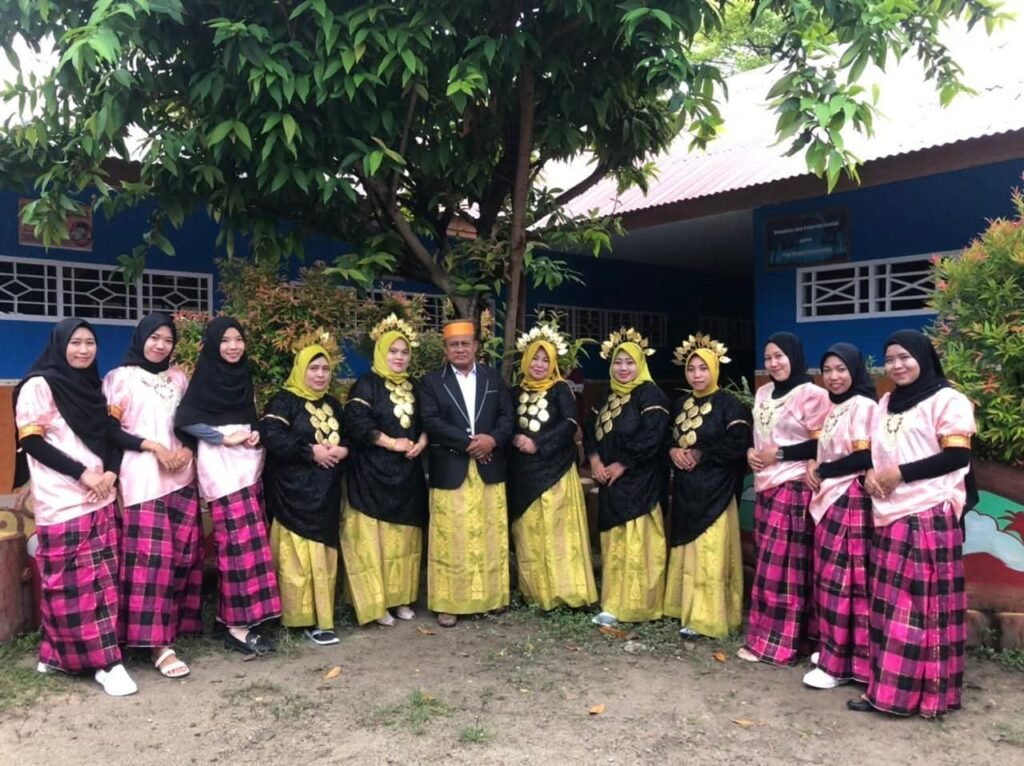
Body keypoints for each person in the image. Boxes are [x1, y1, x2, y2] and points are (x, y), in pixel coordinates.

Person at [14, 319, 166, 696]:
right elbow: (32, 442)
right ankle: (97, 662)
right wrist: (83, 475)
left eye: (90, 343)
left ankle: (85, 657)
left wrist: (110, 474)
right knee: (66, 583)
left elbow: (108, 435)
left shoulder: (92, 388)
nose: (83, 350)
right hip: (63, 499)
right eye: (76, 343)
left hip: (101, 494)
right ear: (60, 345)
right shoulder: (40, 385)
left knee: (100, 583)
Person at [848, 330, 975, 718]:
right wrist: (871, 474)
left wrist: (899, 474)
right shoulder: (887, 402)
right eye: (890, 360)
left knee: (922, 608)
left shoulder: (947, 400)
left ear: (923, 356)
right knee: (889, 606)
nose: (897, 365)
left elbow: (956, 457)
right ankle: (887, 691)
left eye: (905, 357)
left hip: (927, 512)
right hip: (889, 512)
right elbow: (877, 451)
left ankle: (928, 696)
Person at [103, 312, 203, 679]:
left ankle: (173, 626)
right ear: (141, 338)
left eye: (168, 340)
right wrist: (155, 447)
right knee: (151, 560)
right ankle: (157, 644)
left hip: (181, 475)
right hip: (143, 477)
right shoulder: (120, 378)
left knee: (184, 554)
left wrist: (187, 449)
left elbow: (191, 424)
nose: (161, 345)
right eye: (154, 337)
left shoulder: (179, 378)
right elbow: (109, 430)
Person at [175, 317, 280, 656]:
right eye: (225, 340)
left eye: (238, 339)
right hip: (221, 471)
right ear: (212, 345)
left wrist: (253, 433)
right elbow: (185, 420)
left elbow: (247, 417)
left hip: (247, 467)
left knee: (252, 544)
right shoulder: (206, 376)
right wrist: (222, 438)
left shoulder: (241, 375)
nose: (233, 346)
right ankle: (237, 628)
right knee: (235, 546)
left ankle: (237, 618)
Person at [739, 332, 830, 664]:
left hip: (793, 485)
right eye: (768, 358)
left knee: (786, 568)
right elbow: (759, 436)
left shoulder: (813, 395)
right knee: (769, 562)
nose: (774, 363)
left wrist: (780, 454)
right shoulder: (763, 392)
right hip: (766, 485)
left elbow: (822, 443)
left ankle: (781, 644)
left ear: (794, 355)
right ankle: (773, 636)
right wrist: (751, 451)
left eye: (780, 356)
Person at [418, 319, 514, 627]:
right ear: (445, 350)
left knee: (490, 535)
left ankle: (493, 597)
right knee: (451, 538)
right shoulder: (432, 382)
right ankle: (449, 603)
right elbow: (431, 421)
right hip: (451, 468)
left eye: (465, 343)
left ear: (475, 346)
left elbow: (507, 416)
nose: (460, 349)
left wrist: (492, 440)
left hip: (489, 467)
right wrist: (470, 443)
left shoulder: (492, 378)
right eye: (453, 345)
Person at [341, 315, 428, 627]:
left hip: (406, 476)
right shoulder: (367, 384)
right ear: (380, 352)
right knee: (372, 544)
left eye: (404, 352)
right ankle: (376, 604)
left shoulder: (416, 386)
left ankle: (401, 598)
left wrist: (422, 441)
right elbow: (356, 422)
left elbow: (430, 419)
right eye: (393, 351)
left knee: (403, 543)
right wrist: (392, 443)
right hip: (371, 476)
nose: (399, 357)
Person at [260, 343, 348, 645]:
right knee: (295, 560)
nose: (320, 375)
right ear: (300, 370)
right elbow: (272, 436)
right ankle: (297, 617)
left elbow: (350, 436)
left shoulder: (333, 404)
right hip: (292, 495)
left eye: (325, 369)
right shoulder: (284, 401)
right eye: (313, 368)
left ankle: (322, 618)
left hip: (326, 494)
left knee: (322, 558)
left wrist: (343, 450)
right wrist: (310, 451)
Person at [664, 334, 751, 638]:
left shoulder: (729, 404)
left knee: (710, 552)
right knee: (688, 549)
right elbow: (667, 438)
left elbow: (739, 442)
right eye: (691, 369)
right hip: (686, 489)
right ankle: (684, 609)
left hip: (716, 491)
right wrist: (673, 451)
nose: (697, 375)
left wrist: (702, 454)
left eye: (703, 368)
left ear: (715, 368)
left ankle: (708, 618)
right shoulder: (680, 403)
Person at [802, 343, 877, 690]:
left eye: (841, 369)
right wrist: (815, 464)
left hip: (850, 500)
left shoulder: (863, 405)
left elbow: (865, 457)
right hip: (831, 498)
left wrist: (825, 470)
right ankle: (837, 650)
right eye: (827, 370)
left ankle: (846, 663)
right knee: (831, 580)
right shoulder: (836, 406)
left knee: (846, 581)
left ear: (855, 370)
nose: (833, 377)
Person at [507, 325, 597, 610]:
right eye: (534, 358)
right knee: (530, 532)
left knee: (559, 533)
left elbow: (570, 423)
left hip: (557, 470)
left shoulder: (561, 389)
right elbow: (505, 422)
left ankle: (567, 594)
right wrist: (515, 437)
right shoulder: (514, 392)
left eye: (545, 360)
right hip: (524, 473)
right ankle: (535, 594)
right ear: (525, 359)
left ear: (554, 363)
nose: (539, 364)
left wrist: (538, 443)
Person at [584, 327, 670, 626]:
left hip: (641, 483)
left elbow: (653, 435)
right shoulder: (607, 395)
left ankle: (640, 606)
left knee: (638, 545)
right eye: (618, 362)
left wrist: (622, 464)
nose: (623, 368)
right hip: (610, 482)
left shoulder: (650, 394)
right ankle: (612, 603)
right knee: (615, 544)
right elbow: (590, 428)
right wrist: (595, 460)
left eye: (630, 362)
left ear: (641, 364)